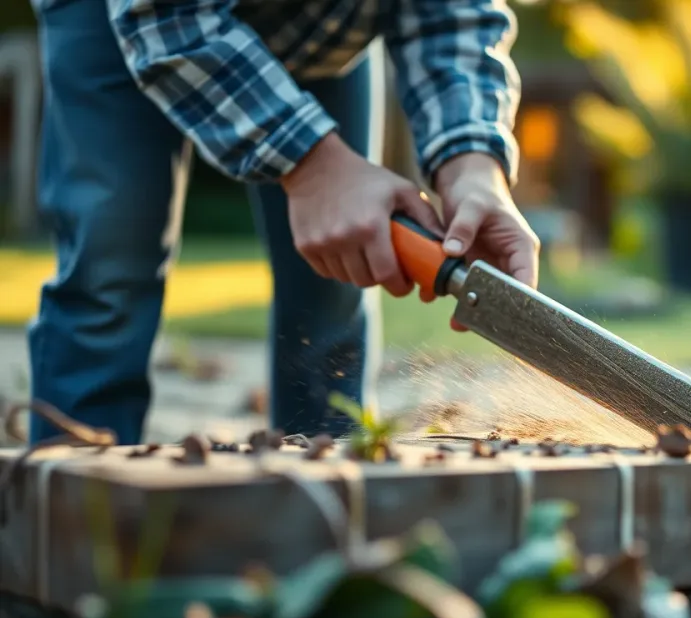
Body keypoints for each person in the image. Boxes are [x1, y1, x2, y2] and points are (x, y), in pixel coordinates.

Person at [27, 0, 540, 445]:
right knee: (109, 276)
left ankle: (327, 523)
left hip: (321, 29)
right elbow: (167, 16)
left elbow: (451, 13)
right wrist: (313, 165)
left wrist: (473, 167)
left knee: (332, 289)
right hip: (124, 15)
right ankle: (74, 519)